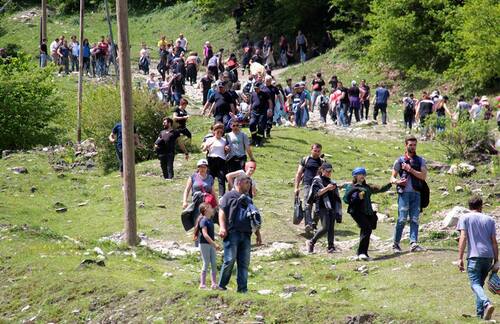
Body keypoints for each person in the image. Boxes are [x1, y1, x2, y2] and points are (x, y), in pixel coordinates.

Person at [218, 174, 262, 292]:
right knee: (230, 259)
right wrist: (222, 227)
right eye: (247, 182)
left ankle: (242, 289)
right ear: (239, 183)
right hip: (232, 233)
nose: (249, 185)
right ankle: (221, 286)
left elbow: (253, 216)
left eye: (249, 182)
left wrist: (258, 234)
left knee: (244, 263)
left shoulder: (248, 199)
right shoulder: (228, 196)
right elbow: (221, 212)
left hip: (247, 234)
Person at [457, 196, 498, 320]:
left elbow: (463, 237)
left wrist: (459, 258)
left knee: (474, 284)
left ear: (469, 207)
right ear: (481, 206)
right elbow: (494, 242)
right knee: (479, 284)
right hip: (488, 256)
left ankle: (486, 303)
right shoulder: (490, 220)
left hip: (474, 256)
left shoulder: (465, 217)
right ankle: (480, 315)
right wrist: (497, 260)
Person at [344, 168, 391, 260]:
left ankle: (362, 253)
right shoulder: (351, 187)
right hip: (356, 212)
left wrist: (390, 183)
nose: (362, 176)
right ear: (355, 176)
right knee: (367, 228)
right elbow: (345, 199)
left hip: (367, 212)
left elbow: (380, 188)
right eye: (360, 174)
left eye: (364, 174)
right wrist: (358, 197)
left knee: (366, 230)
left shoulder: (367, 187)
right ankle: (362, 253)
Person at [390, 135, 427, 253]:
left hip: (416, 194)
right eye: (410, 145)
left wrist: (410, 169)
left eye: (414, 145)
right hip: (404, 193)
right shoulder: (399, 161)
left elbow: (423, 176)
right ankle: (395, 244)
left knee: (415, 219)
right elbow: (392, 177)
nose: (413, 147)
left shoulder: (420, 160)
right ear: (406, 145)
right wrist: (397, 181)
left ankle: (414, 243)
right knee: (401, 219)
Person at [306, 162, 342, 253]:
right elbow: (316, 194)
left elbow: (336, 196)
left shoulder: (331, 182)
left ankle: (331, 246)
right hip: (322, 207)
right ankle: (312, 242)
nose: (329, 173)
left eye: (330, 171)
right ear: (322, 170)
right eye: (327, 171)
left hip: (332, 207)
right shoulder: (317, 180)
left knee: (331, 228)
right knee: (325, 227)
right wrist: (327, 188)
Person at [294, 143, 324, 234]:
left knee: (318, 207)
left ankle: (314, 224)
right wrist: (296, 187)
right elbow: (299, 173)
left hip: (318, 186)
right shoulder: (305, 160)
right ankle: (308, 224)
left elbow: (325, 174)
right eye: (315, 150)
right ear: (311, 150)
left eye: (318, 151)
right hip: (307, 184)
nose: (317, 153)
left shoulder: (322, 162)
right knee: (307, 205)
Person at [194, 203, 220, 289]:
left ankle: (214, 283)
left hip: (211, 244)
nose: (212, 209)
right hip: (204, 244)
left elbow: (211, 232)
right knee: (206, 262)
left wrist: (219, 234)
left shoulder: (210, 220)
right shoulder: (203, 220)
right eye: (210, 207)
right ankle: (202, 284)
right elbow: (205, 234)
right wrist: (214, 244)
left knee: (213, 263)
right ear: (205, 209)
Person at [202, 122, 230, 197]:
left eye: (221, 132)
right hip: (211, 160)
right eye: (218, 131)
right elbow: (204, 149)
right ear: (214, 131)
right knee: (210, 178)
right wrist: (207, 146)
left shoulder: (224, 140)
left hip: (221, 161)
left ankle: (222, 196)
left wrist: (227, 149)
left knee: (221, 179)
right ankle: (207, 194)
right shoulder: (209, 139)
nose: (219, 133)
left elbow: (227, 151)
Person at [249, 82, 272, 147]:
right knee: (251, 124)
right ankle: (253, 138)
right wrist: (249, 111)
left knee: (261, 126)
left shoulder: (265, 94)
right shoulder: (253, 94)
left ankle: (258, 141)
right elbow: (251, 103)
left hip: (262, 112)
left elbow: (270, 101)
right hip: (254, 112)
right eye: (255, 88)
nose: (256, 89)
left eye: (257, 88)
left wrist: (270, 109)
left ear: (260, 88)